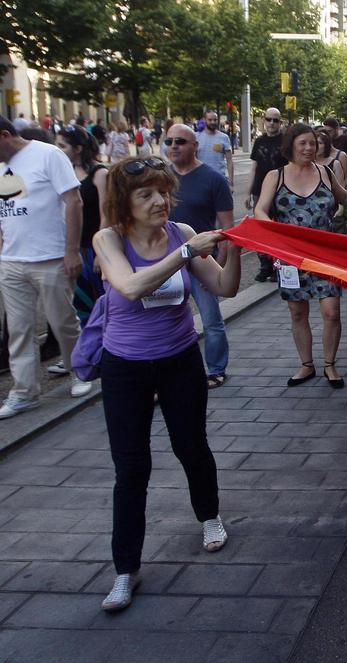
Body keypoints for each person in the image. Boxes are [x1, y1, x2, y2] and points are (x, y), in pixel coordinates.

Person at [91, 155, 242, 612]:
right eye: (147, 195)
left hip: (179, 360)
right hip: (125, 368)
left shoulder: (183, 233)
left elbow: (225, 288)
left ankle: (209, 516)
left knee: (191, 446)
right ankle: (125, 569)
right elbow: (131, 286)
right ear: (125, 203)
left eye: (163, 192)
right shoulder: (108, 239)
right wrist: (184, 255)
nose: (160, 201)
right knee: (131, 468)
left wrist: (233, 250)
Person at [253, 124, 347, 389]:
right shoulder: (276, 176)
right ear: (291, 145)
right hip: (290, 258)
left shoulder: (326, 173)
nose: (308, 148)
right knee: (297, 312)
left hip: (325, 255)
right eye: (302, 143)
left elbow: (345, 197)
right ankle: (306, 364)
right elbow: (261, 210)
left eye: (312, 144)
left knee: (331, 311)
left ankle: (329, 364)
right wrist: (276, 235)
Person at [0, 116, 92, 418]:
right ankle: (24, 391)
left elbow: (73, 201)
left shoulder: (47, 154)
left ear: (4, 135)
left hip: (50, 258)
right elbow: (10, 207)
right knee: (19, 329)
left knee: (63, 321)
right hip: (12, 261)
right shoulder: (2, 166)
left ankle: (79, 372)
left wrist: (70, 251)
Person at [163, 124, 234, 389]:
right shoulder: (160, 179)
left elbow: (227, 228)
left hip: (202, 260)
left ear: (195, 145)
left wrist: (221, 267)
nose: (173, 146)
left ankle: (216, 369)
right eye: (168, 141)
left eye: (180, 141)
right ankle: (170, 371)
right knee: (166, 320)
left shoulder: (213, 179)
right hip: (166, 262)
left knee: (211, 320)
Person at [54, 125, 108, 328]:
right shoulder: (63, 171)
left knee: (102, 303)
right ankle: (88, 353)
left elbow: (106, 214)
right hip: (71, 247)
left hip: (93, 250)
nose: (57, 150)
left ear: (78, 148)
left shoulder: (99, 173)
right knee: (79, 307)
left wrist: (102, 252)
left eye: (62, 146)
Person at [247, 108, 286, 282]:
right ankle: (265, 266)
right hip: (259, 191)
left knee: (279, 228)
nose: (271, 123)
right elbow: (254, 167)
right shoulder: (259, 141)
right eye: (269, 119)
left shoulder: (286, 141)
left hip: (280, 191)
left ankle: (279, 265)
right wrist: (248, 192)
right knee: (260, 229)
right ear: (264, 120)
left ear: (280, 122)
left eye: (275, 120)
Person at [195, 110, 233, 187]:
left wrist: (231, 183)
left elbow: (229, 161)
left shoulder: (224, 137)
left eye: (215, 120)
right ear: (204, 120)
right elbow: (192, 159)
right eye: (210, 120)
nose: (213, 122)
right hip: (201, 180)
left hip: (220, 180)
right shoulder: (196, 137)